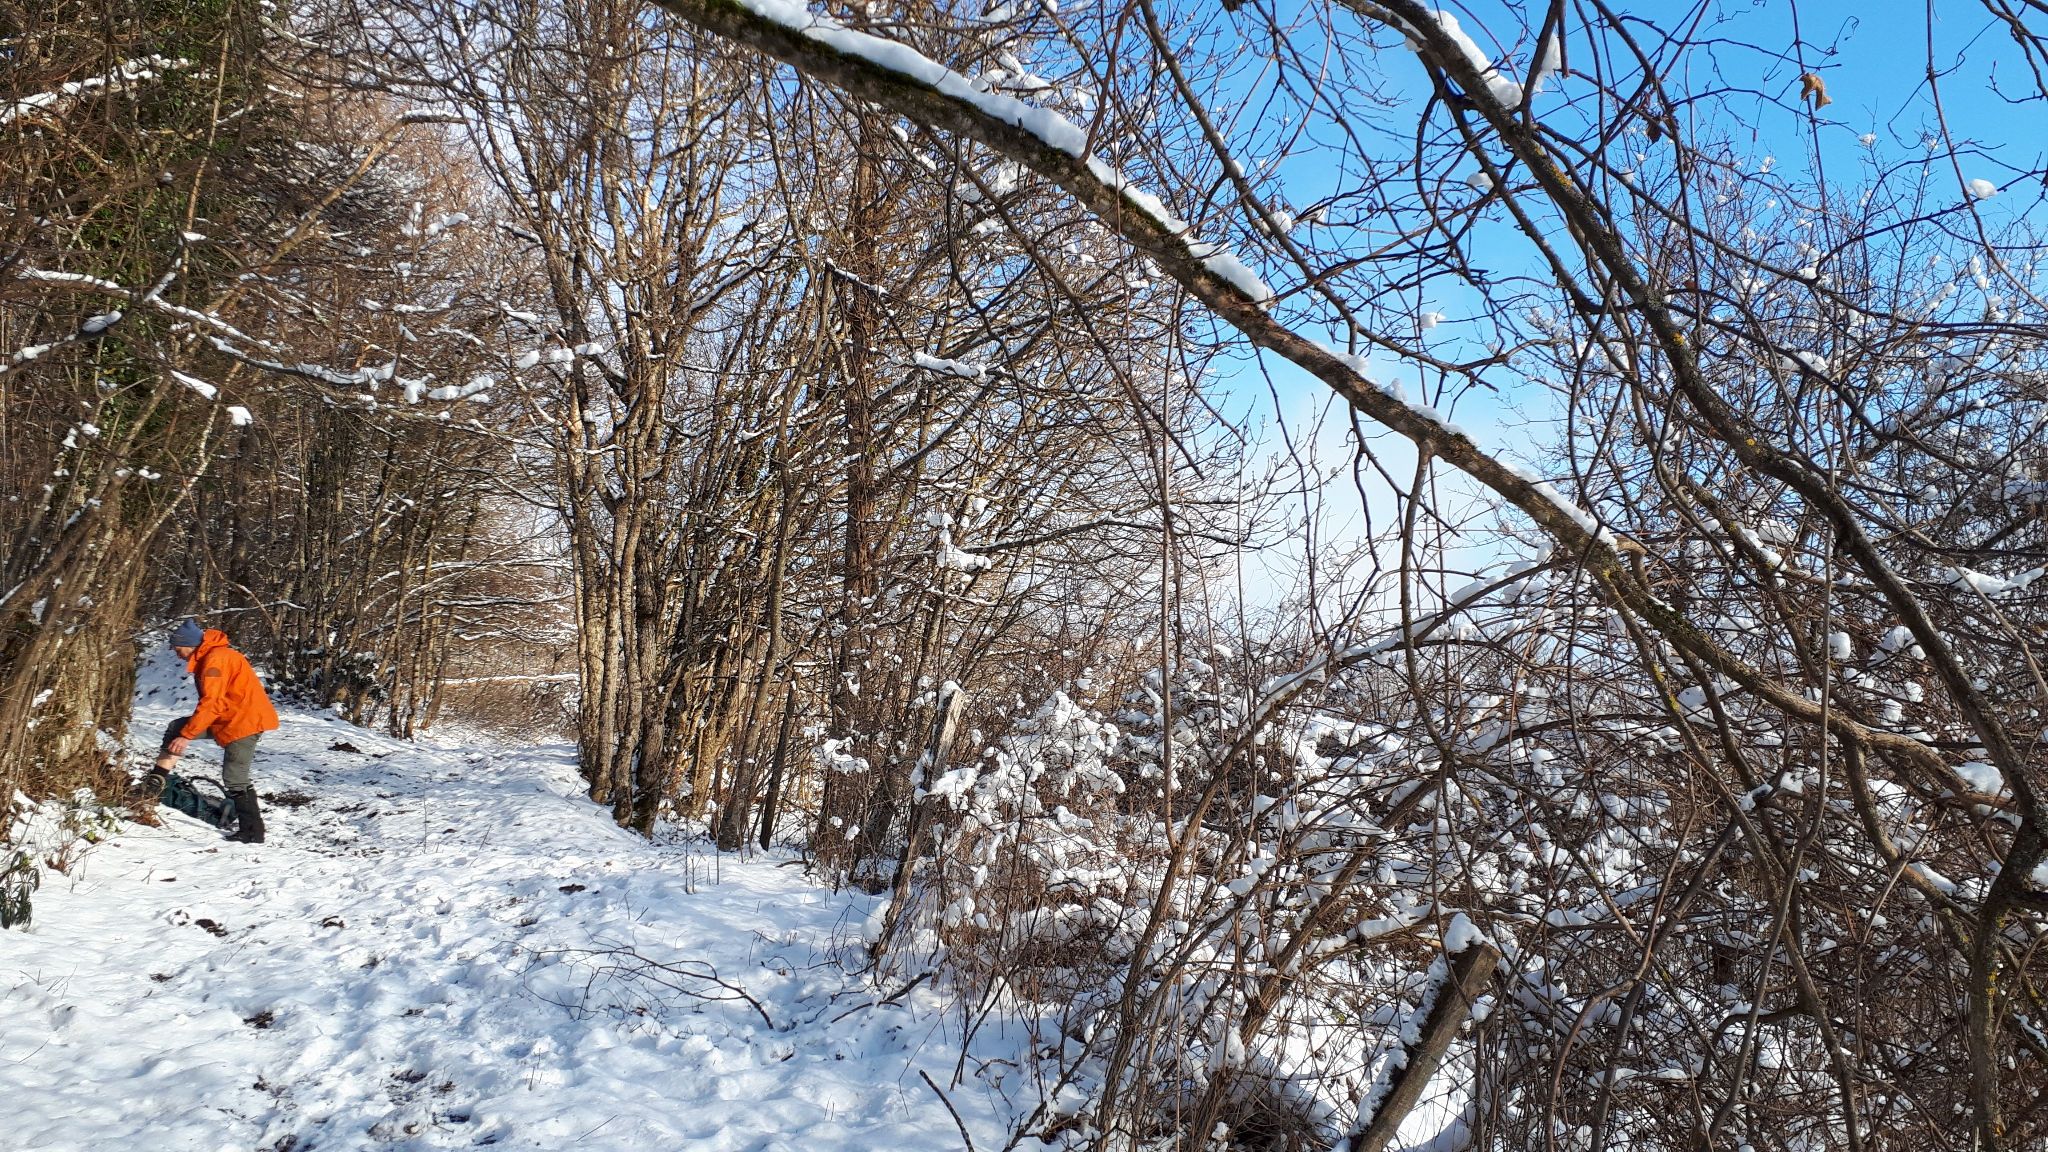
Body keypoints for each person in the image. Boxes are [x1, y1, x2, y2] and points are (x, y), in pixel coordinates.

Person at [139, 619, 280, 843]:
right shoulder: (212, 656)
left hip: (243, 722)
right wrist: (184, 733)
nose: (177, 654)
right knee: (176, 728)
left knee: (235, 778)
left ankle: (253, 832)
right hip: (226, 718)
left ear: (189, 644)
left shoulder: (216, 660)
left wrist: (186, 736)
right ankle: (154, 784)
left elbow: (212, 703)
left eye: (177, 649)